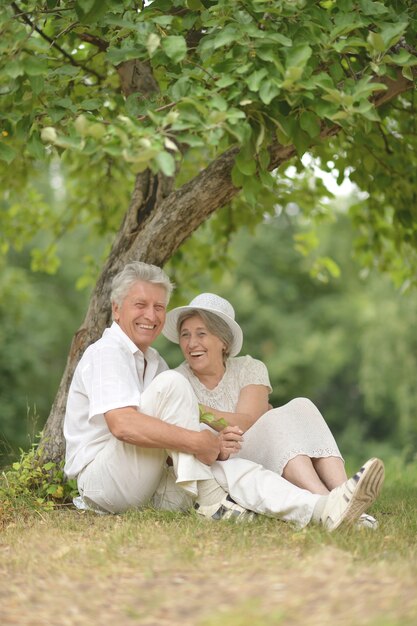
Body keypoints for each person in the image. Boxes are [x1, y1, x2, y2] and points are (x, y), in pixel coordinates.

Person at [64, 263, 384, 531]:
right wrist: (197, 441)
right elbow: (123, 425)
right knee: (178, 391)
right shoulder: (108, 353)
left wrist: (212, 444)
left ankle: (325, 509)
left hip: (149, 483)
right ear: (117, 310)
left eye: (158, 306)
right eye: (140, 304)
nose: (151, 314)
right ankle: (212, 499)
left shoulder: (154, 363)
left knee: (236, 471)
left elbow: (170, 439)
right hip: (103, 485)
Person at [162, 292, 383, 529]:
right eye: (185, 335)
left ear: (223, 341)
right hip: (223, 466)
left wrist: (195, 409)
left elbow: (250, 422)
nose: (191, 343)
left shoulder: (249, 367)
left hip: (262, 452)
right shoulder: (176, 380)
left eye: (201, 334)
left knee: (302, 405)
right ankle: (330, 503)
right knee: (275, 420)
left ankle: (345, 492)